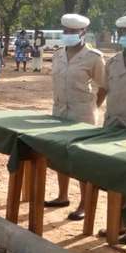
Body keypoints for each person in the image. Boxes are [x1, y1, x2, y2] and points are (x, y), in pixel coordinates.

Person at [44, 14, 107, 221]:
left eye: (72, 32)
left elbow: (104, 86)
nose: (68, 35)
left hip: (82, 115)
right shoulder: (58, 55)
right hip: (59, 112)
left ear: (83, 33)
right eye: (66, 31)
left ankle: (84, 204)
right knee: (60, 156)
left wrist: (94, 106)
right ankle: (62, 196)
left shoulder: (94, 57)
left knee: (82, 161)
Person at [97, 14, 126, 245]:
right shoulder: (112, 62)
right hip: (113, 126)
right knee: (115, 177)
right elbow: (104, 89)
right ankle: (117, 224)